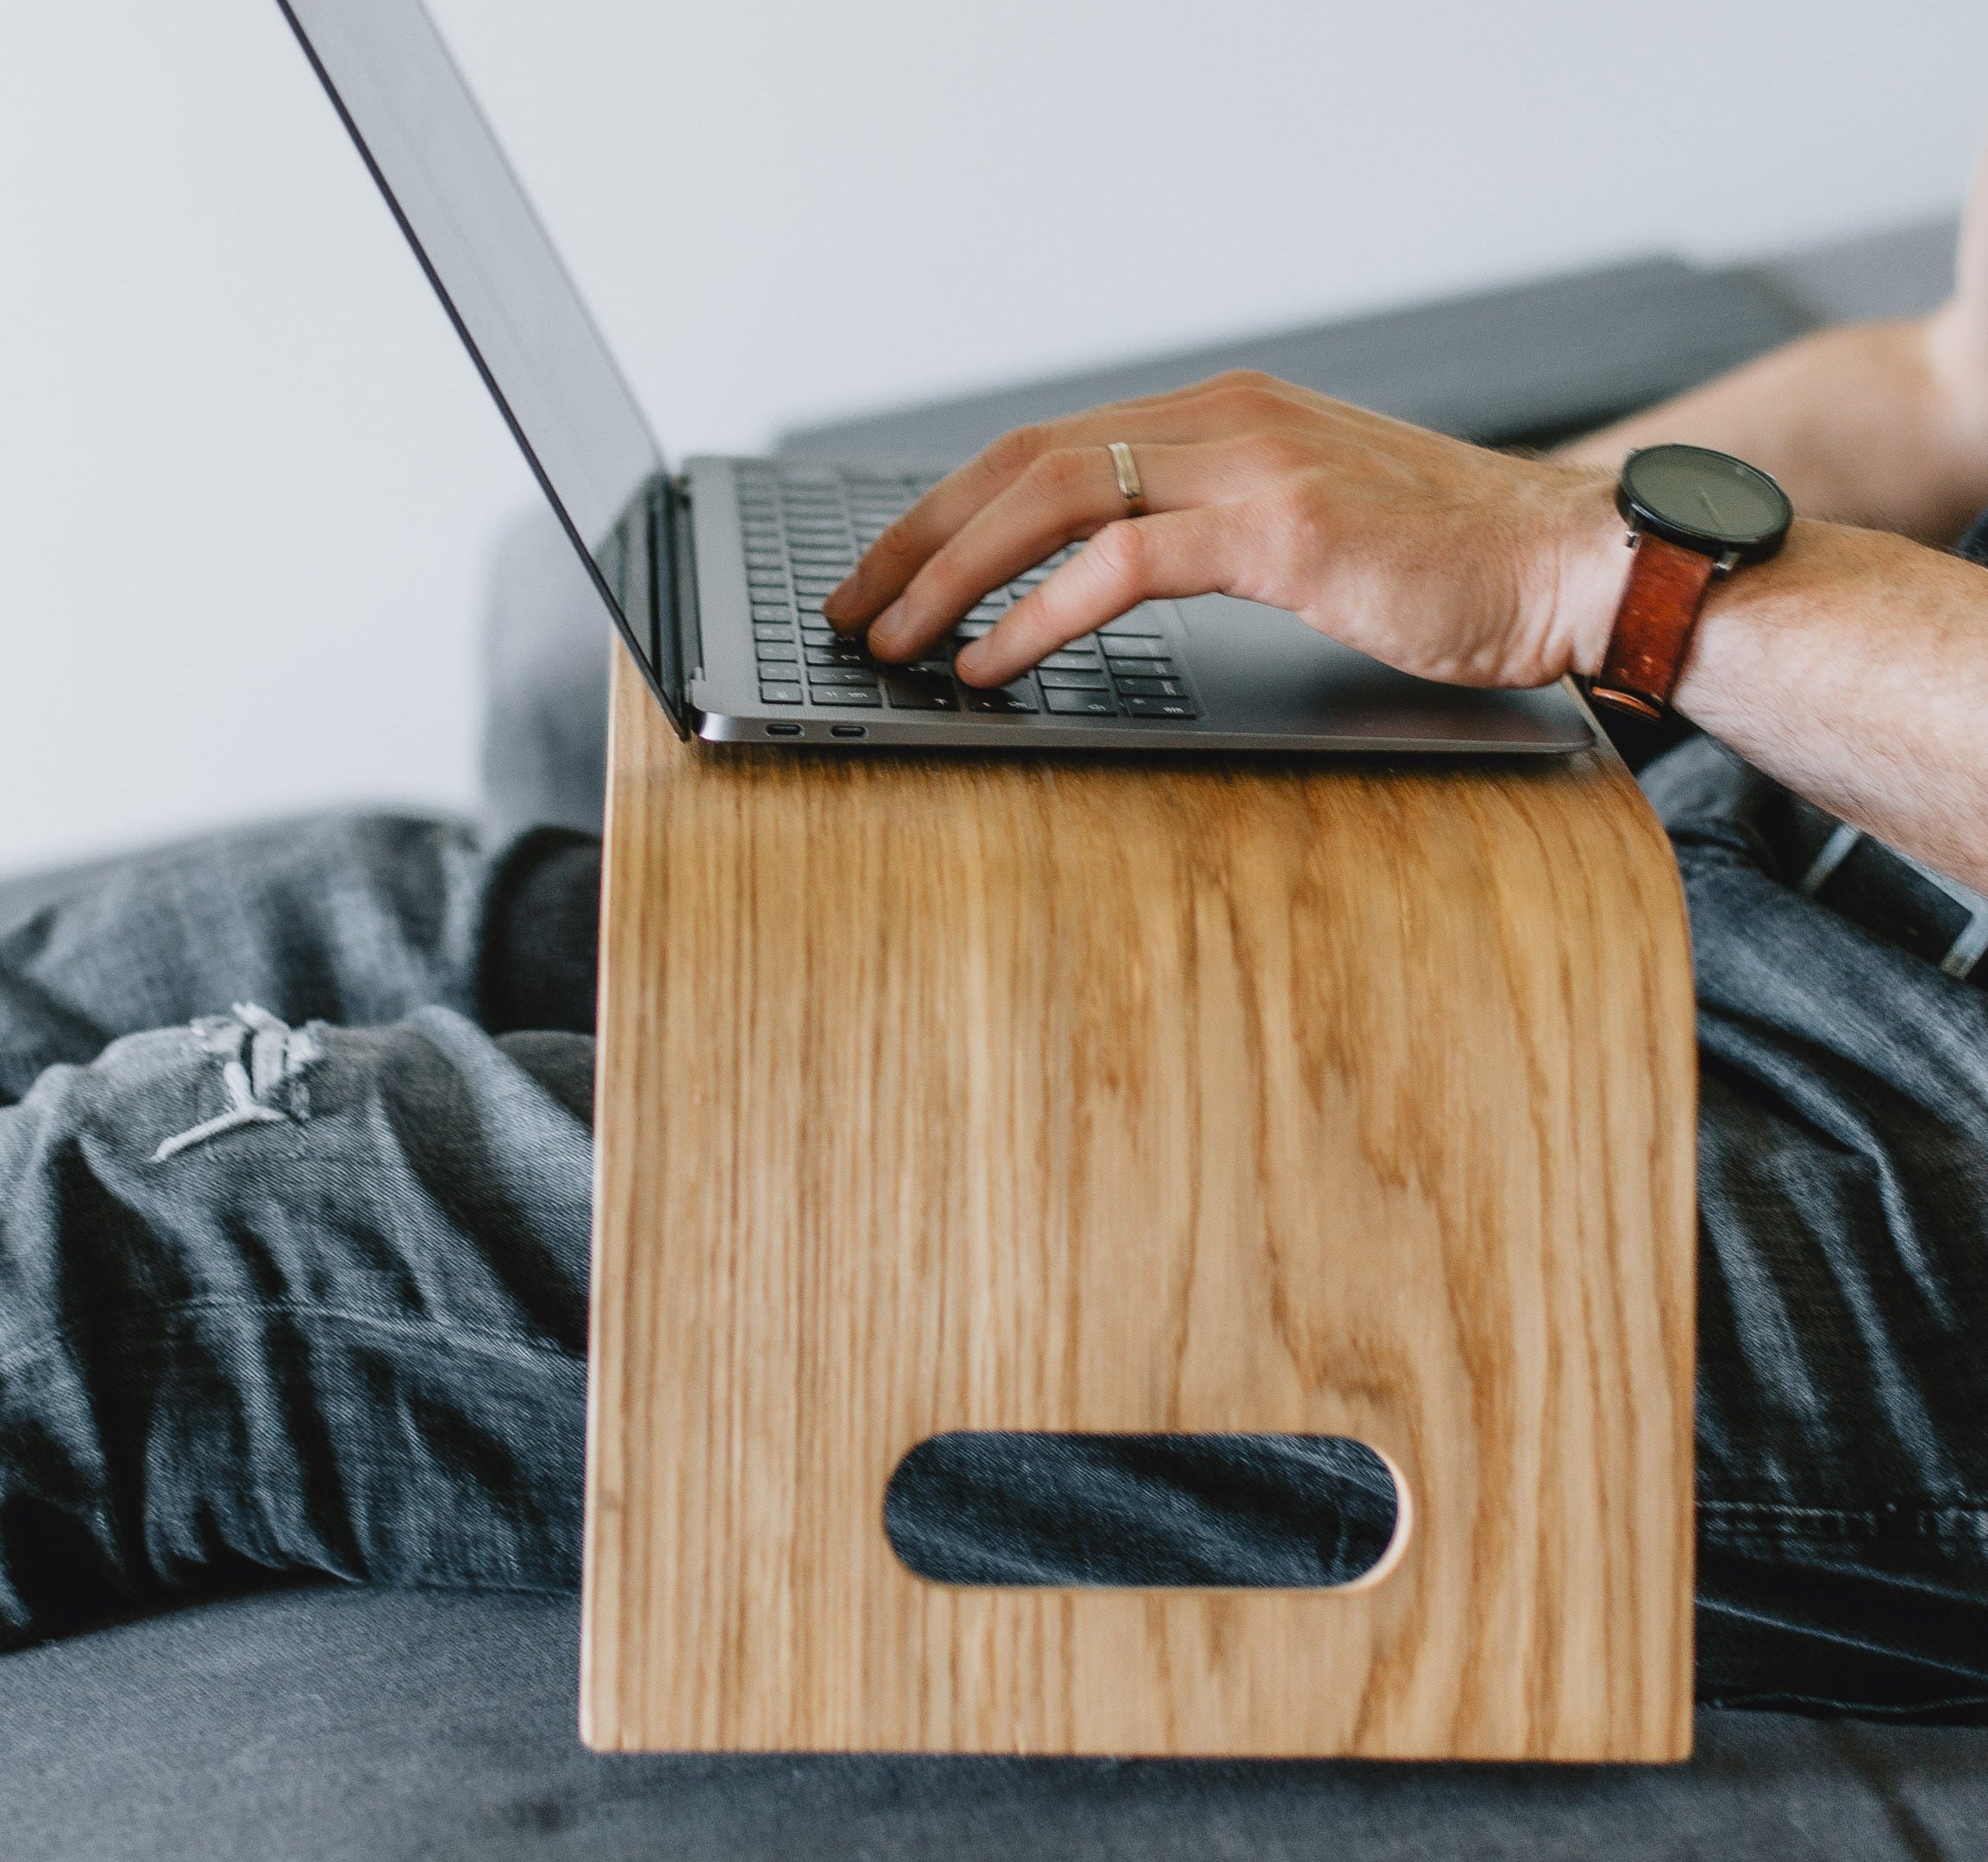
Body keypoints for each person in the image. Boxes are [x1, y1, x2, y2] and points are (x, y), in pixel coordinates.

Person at [6, 162, 1988, 1721]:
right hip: (1731, 832)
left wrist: (1601, 579)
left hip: (1927, 1200)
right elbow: (1938, 385)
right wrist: (1353, 598)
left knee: (216, 1209)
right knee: (287, 921)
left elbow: (1641, 571)